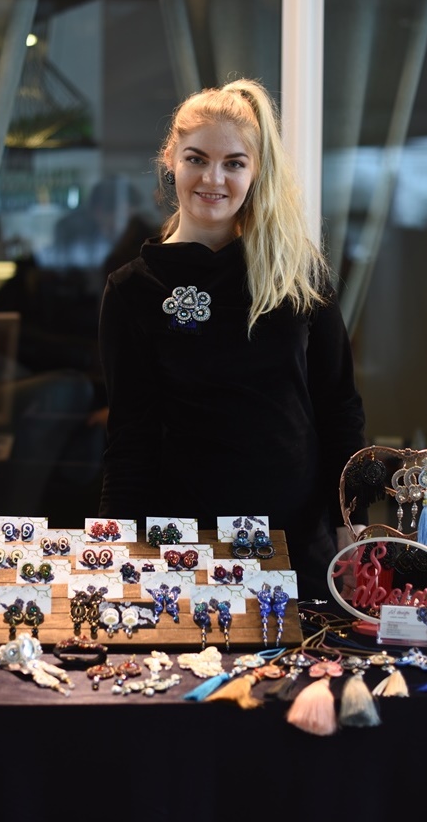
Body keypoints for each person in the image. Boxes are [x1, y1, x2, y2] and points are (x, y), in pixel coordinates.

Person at [97, 77, 367, 599]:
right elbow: (130, 437)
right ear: (171, 158)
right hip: (181, 545)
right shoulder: (133, 290)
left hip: (297, 541)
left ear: (256, 171)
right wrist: (115, 550)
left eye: (234, 163)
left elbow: (339, 408)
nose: (212, 178)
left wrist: (349, 524)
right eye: (196, 159)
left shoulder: (297, 275)